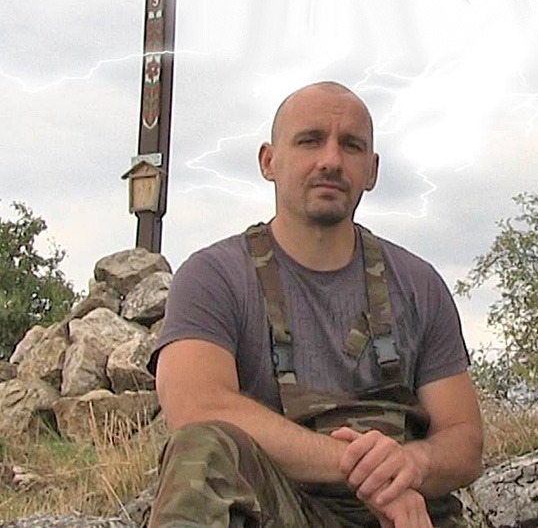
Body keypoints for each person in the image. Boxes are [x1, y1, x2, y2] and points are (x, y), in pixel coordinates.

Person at [148, 81, 483, 528]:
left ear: (372, 170)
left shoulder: (418, 284)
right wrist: (363, 470)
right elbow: (196, 407)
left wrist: (413, 464)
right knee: (201, 449)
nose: (331, 160)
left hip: (406, 516)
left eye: (351, 146)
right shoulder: (213, 277)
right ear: (269, 161)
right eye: (310, 141)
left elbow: (464, 439)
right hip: (283, 511)